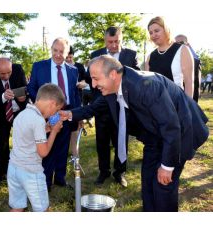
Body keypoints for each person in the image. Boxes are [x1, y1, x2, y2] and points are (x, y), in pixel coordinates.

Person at [61, 55, 209, 211]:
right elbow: (93, 108)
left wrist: (167, 166)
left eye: (96, 79)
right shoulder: (112, 87)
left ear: (112, 74)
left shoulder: (146, 86)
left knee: (163, 187)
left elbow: (171, 126)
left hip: (181, 133)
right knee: (148, 182)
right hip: (154, 136)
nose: (93, 84)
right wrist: (69, 114)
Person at [87, 26, 140, 187]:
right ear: (105, 40)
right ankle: (103, 172)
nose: (113, 45)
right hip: (102, 108)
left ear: (121, 39)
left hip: (121, 107)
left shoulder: (130, 55)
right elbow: (91, 80)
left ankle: (120, 173)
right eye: (110, 42)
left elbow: (135, 78)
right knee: (102, 142)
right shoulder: (95, 55)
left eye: (117, 41)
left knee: (120, 141)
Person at [27, 37, 81, 191]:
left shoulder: (73, 70)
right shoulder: (39, 66)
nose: (58, 54)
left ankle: (60, 177)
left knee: (63, 146)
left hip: (66, 112)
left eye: (61, 51)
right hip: (47, 113)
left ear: (67, 53)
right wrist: (42, 106)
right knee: (48, 145)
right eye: (55, 50)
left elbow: (75, 94)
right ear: (51, 49)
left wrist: (76, 115)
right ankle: (46, 180)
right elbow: (31, 88)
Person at [7, 83, 64, 212]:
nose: (52, 114)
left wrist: (47, 129)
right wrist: (54, 132)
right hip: (31, 172)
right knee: (42, 210)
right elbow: (43, 152)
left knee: (17, 207)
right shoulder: (38, 120)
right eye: (55, 110)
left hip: (14, 168)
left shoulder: (22, 114)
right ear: (52, 104)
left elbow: (28, 136)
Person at [0, 57, 28, 183]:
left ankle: (24, 170)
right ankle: (3, 175)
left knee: (24, 142)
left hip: (19, 112)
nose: (7, 76)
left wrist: (23, 96)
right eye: (2, 73)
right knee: (2, 145)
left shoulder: (18, 69)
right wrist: (3, 96)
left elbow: (25, 88)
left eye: (9, 72)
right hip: (1, 114)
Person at [146, 16, 194, 98]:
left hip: (177, 102)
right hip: (155, 105)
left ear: (166, 30)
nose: (153, 35)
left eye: (156, 31)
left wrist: (188, 107)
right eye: (151, 33)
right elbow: (148, 83)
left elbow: (189, 82)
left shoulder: (182, 50)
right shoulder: (150, 56)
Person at [175, 34, 202, 102]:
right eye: (175, 43)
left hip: (191, 94)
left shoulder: (194, 57)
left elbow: (196, 78)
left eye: (181, 43)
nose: (178, 45)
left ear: (187, 43)